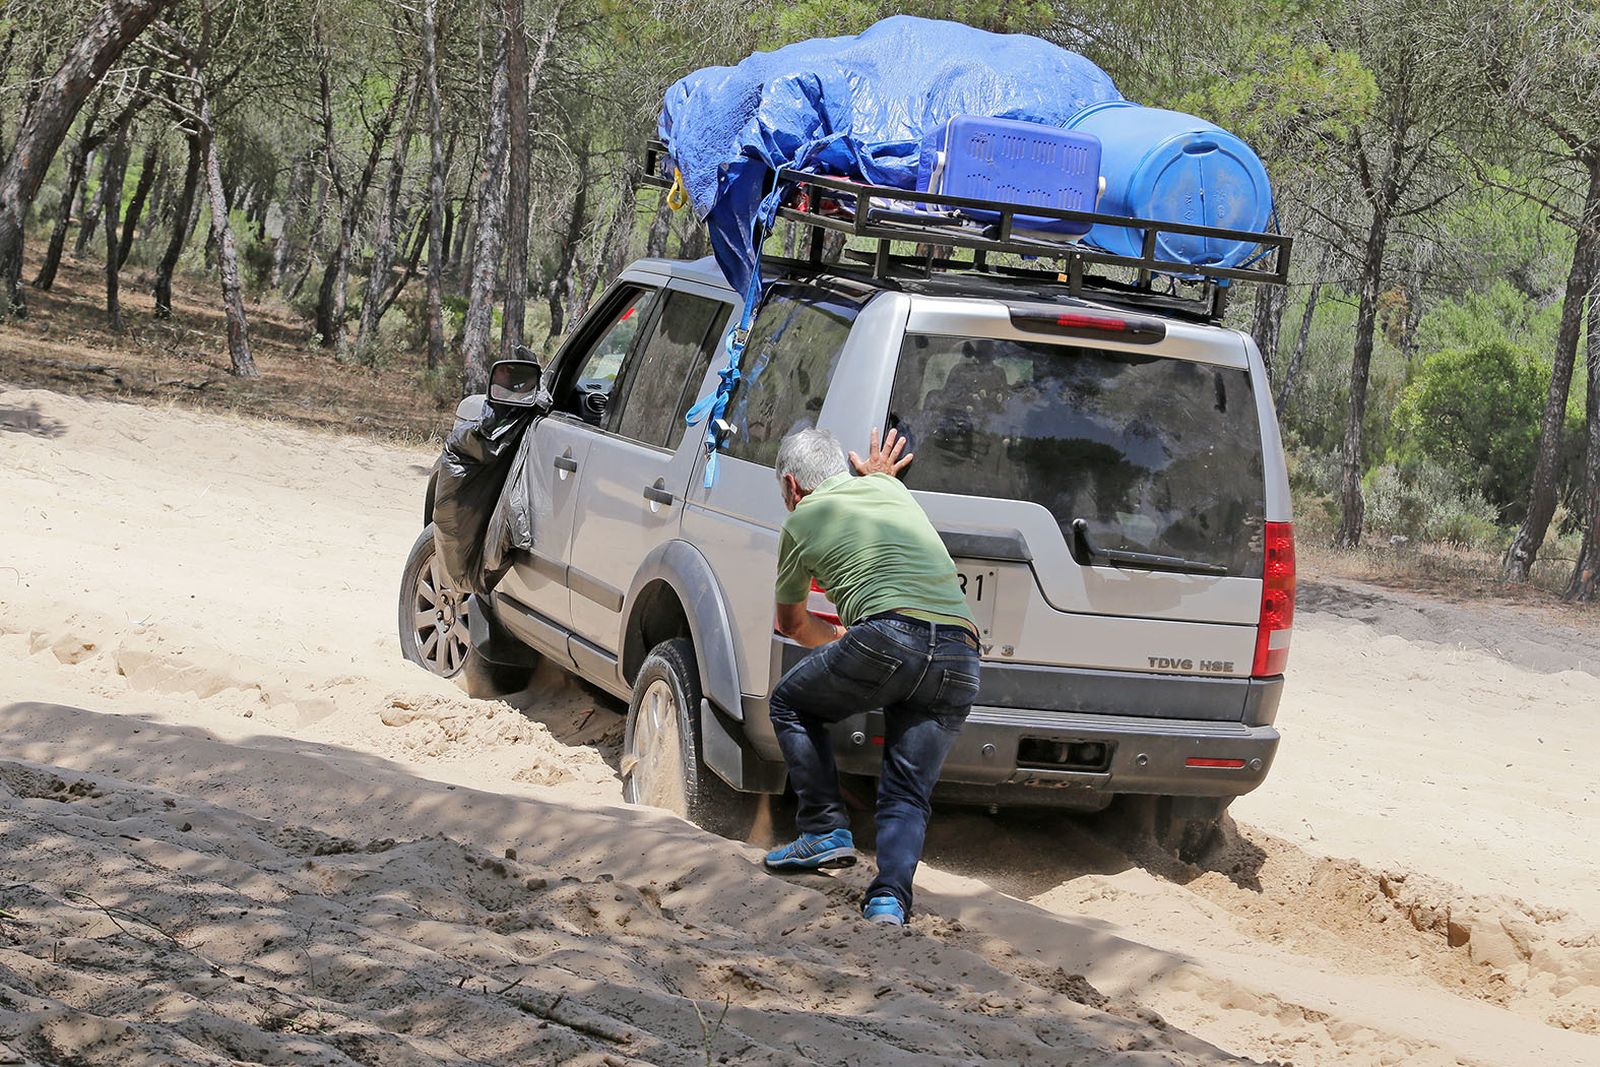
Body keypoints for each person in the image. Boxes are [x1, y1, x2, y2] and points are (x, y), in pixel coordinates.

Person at [763, 426, 982, 927]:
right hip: (962, 651)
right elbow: (878, 480)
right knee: (908, 789)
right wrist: (879, 474)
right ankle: (888, 901)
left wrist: (846, 641)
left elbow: (793, 624)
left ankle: (823, 828)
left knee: (790, 703)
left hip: (887, 635)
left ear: (792, 486)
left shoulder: (800, 520)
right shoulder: (887, 488)